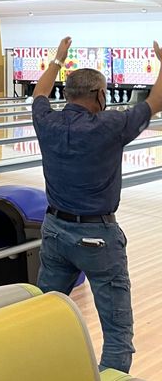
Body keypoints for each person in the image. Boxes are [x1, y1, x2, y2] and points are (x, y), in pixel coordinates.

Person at [32, 36, 162, 374]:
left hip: (54, 232)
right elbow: (156, 100)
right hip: (98, 238)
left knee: (44, 313)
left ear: (67, 94)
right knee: (117, 331)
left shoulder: (46, 121)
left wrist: (58, 59)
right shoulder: (111, 125)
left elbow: (39, 93)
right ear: (101, 95)